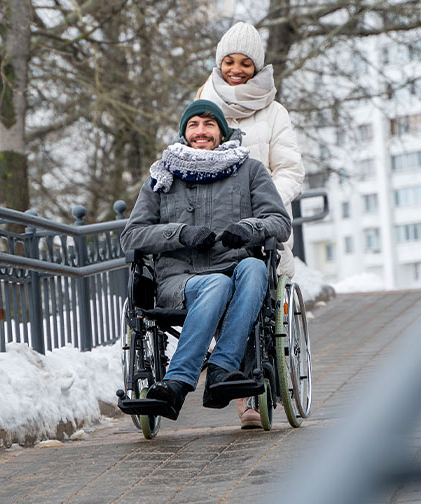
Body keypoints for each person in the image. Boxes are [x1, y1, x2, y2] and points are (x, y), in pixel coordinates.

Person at [119, 99, 292, 428]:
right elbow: (131, 236)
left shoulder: (249, 171)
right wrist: (179, 234)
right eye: (194, 124)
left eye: (209, 124)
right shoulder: (163, 175)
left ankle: (220, 369)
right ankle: (179, 381)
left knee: (254, 268)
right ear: (184, 132)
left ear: (221, 132)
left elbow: (279, 223)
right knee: (217, 283)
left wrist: (248, 229)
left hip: (238, 271)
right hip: (179, 281)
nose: (201, 131)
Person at [196, 21, 306, 280]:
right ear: (219, 63)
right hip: (213, 222)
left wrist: (263, 205)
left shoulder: (275, 112)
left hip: (261, 223)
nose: (236, 70)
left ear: (256, 66)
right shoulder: (201, 105)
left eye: (245, 63)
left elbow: (290, 170)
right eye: (229, 61)